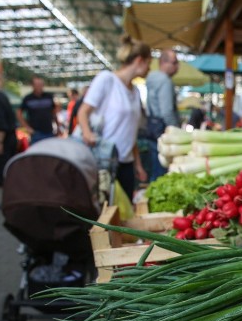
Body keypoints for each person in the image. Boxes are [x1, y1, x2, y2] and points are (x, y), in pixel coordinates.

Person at [77, 35, 150, 200]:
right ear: (140, 61)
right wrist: (87, 133)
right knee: (103, 212)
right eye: (149, 64)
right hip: (103, 162)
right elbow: (83, 111)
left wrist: (138, 164)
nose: (149, 69)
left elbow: (131, 132)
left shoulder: (135, 91)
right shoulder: (106, 79)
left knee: (123, 213)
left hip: (126, 163)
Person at [144, 49, 180, 180]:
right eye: (175, 62)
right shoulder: (165, 81)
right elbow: (166, 111)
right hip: (162, 131)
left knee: (154, 168)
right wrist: (176, 131)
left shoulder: (152, 78)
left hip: (151, 128)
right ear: (164, 62)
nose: (177, 67)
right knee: (161, 171)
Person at [17, 75, 57, 144]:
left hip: (49, 132)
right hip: (36, 133)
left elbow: (54, 112)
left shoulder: (49, 97)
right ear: (33, 85)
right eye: (37, 84)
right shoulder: (28, 98)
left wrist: (57, 126)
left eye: (41, 84)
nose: (39, 86)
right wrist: (27, 127)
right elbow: (19, 113)